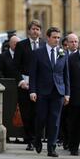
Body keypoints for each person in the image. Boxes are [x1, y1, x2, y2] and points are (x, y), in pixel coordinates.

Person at [29, 27, 70, 157]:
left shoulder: (63, 53)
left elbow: (66, 75)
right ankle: (37, 139)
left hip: (58, 91)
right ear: (48, 38)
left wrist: (67, 93)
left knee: (55, 120)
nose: (57, 40)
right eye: (54, 37)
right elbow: (33, 74)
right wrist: (32, 91)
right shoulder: (38, 53)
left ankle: (51, 147)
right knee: (41, 118)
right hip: (42, 91)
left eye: (58, 38)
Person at [13, 20, 46, 151]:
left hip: (41, 85)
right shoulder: (21, 45)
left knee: (39, 113)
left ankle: (38, 138)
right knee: (27, 114)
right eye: (33, 29)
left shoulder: (44, 44)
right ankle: (30, 140)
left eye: (38, 29)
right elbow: (15, 66)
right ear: (28, 30)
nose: (35, 31)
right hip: (25, 84)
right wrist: (21, 81)